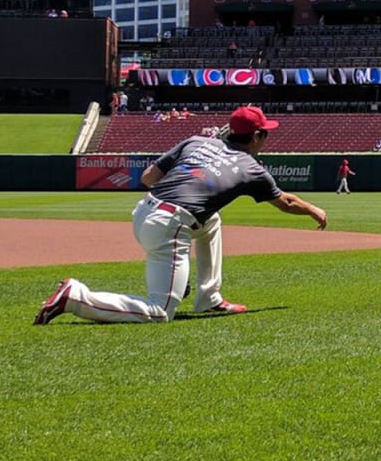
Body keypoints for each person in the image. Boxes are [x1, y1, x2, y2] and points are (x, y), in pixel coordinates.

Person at [34, 106, 328, 325]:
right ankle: (76, 297)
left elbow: (149, 177)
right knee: (160, 311)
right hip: (170, 225)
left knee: (210, 221)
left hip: (145, 211)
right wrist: (314, 209)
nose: (266, 138)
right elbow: (285, 202)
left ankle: (209, 298)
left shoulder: (197, 141)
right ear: (256, 136)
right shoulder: (251, 168)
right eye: (265, 133)